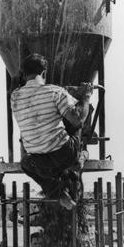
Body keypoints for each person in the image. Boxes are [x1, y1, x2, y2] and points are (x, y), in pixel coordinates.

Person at [11, 53, 92, 210]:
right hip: (65, 155)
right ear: (44, 73)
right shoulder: (55, 91)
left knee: (25, 164)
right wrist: (86, 97)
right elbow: (78, 120)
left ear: (24, 74)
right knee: (75, 122)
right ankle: (80, 157)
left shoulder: (14, 96)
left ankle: (59, 195)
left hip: (38, 162)